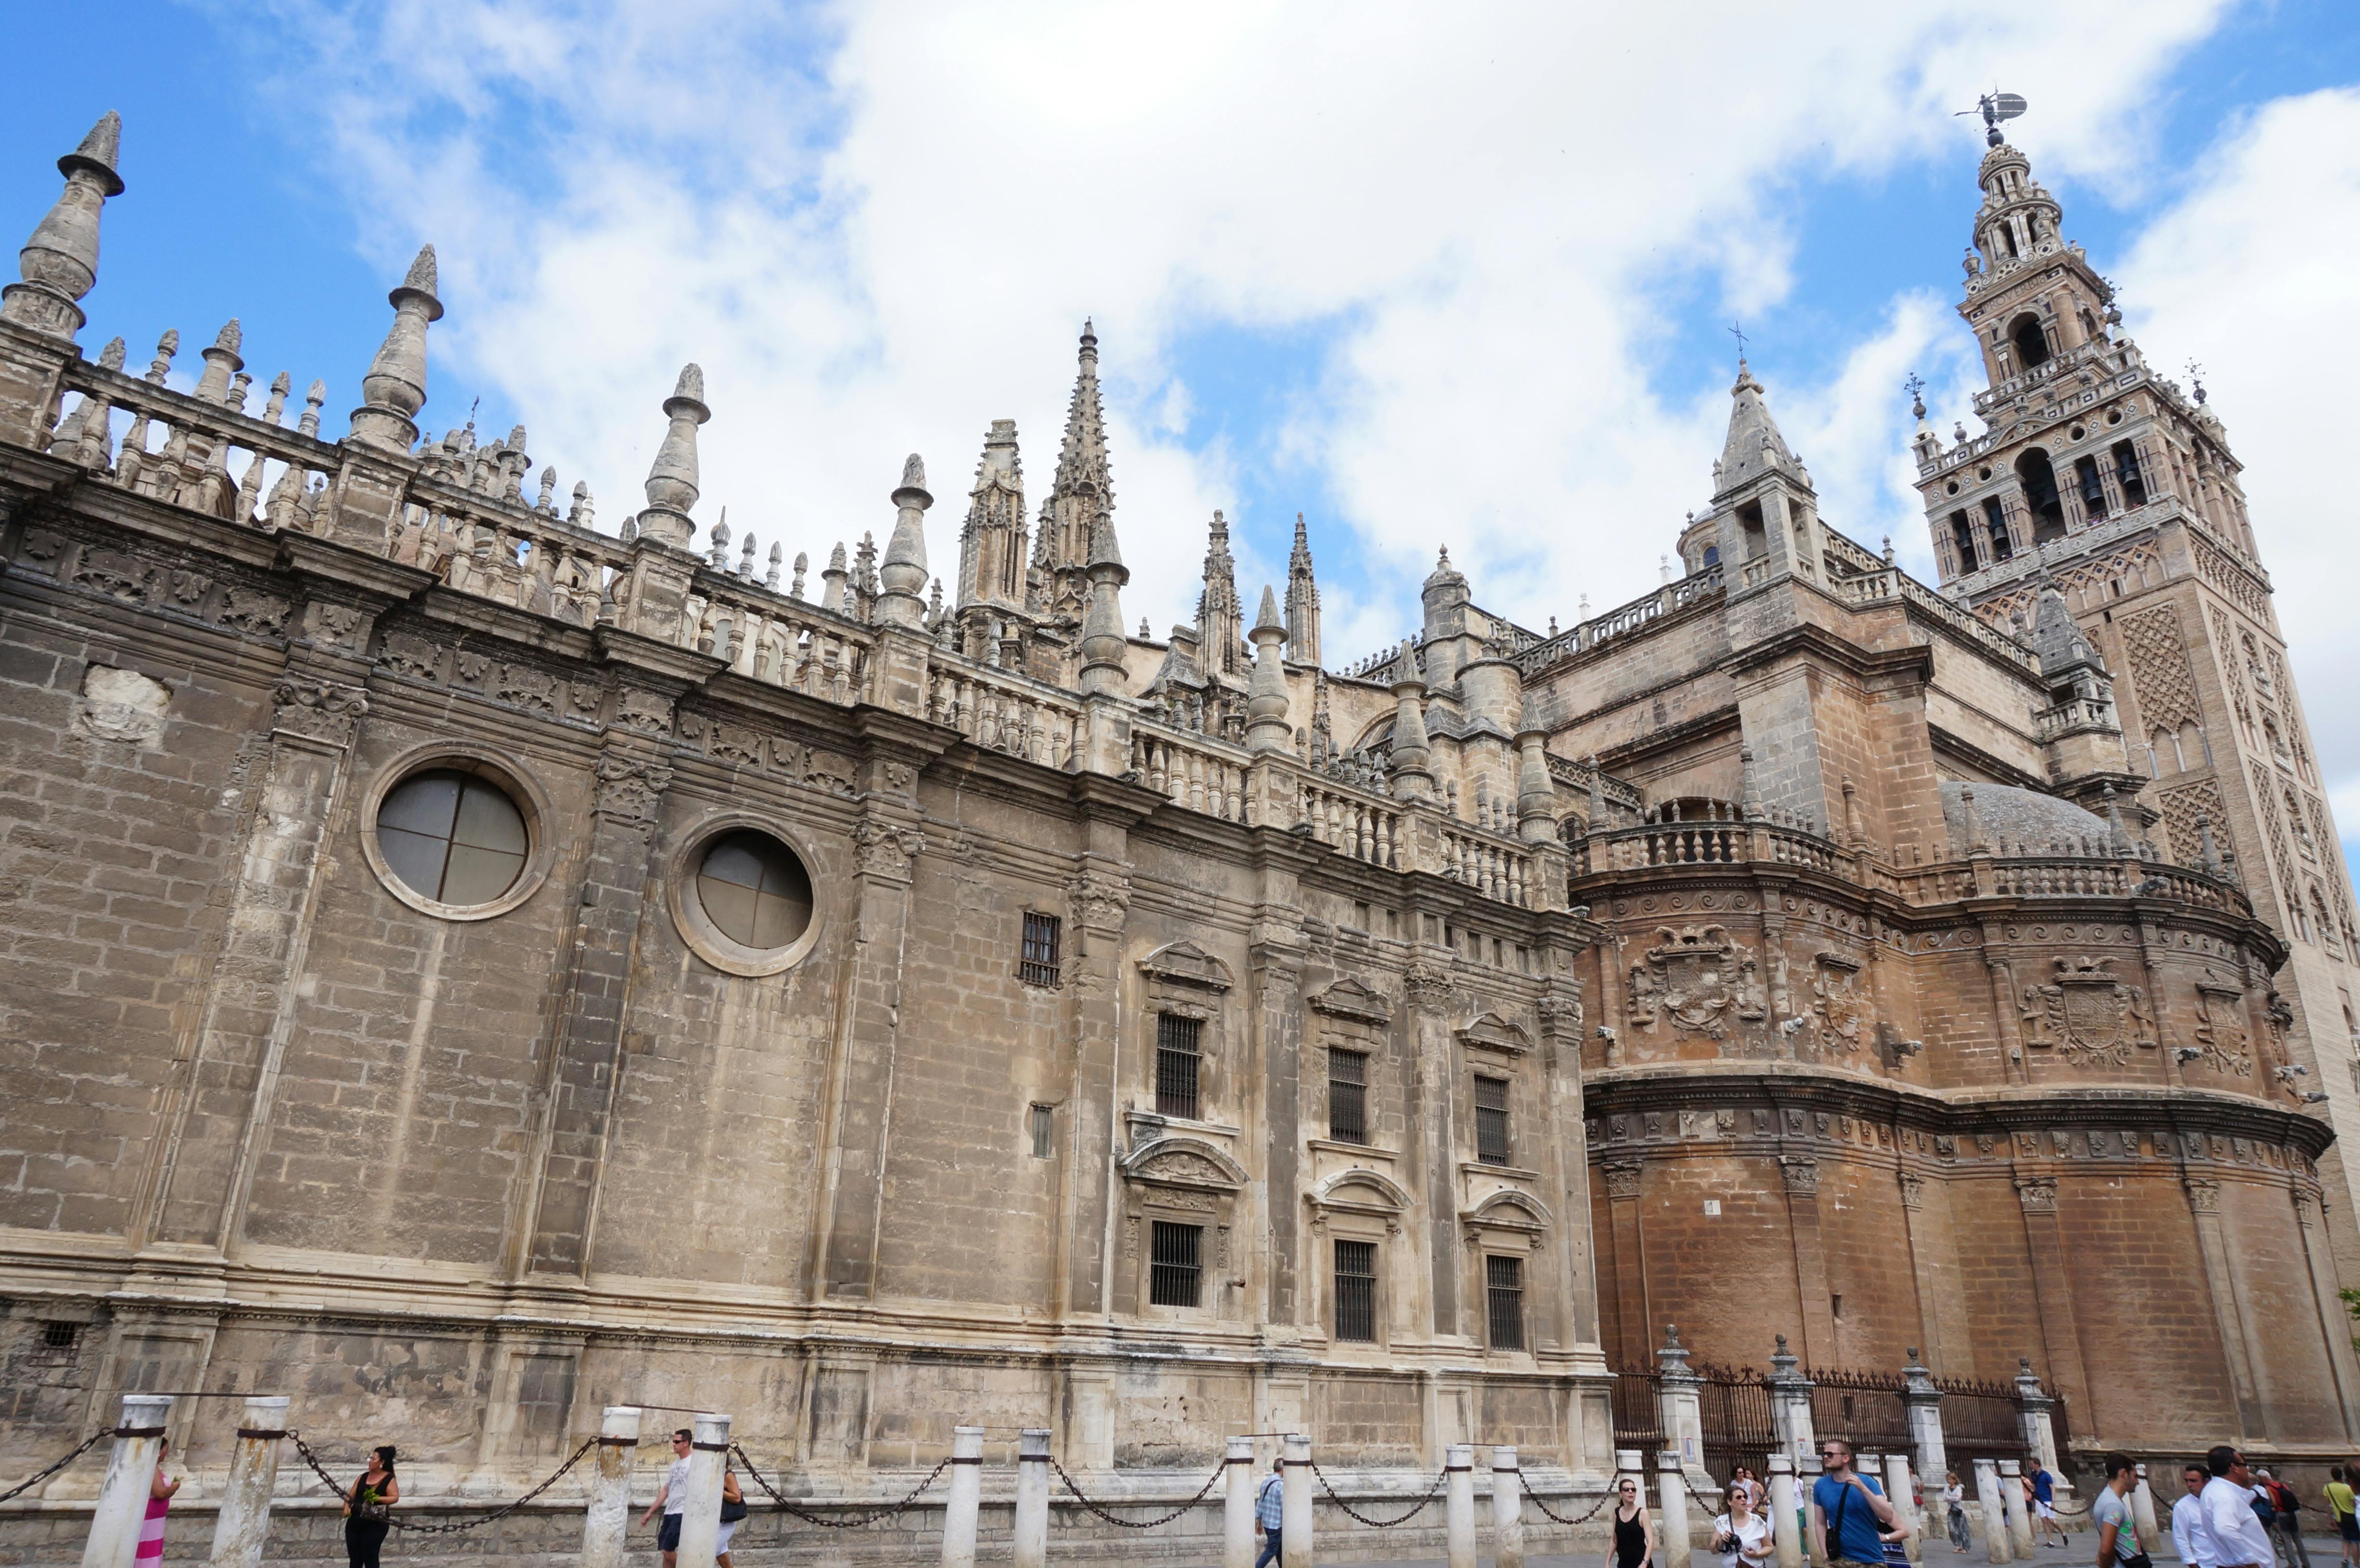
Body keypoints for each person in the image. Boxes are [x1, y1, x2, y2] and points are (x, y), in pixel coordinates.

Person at [1812, 1438, 1901, 1568]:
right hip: (1838, 1559)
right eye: (1824, 1454)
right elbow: (1820, 1523)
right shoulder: (1821, 1485)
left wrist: (1863, 1489)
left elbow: (1888, 1516)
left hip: (1870, 1560)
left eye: (1830, 1454)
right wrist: (1826, 1555)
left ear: (1846, 1458)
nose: (1826, 1457)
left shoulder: (1867, 1482)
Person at [2205, 1446, 2281, 1568]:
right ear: (2235, 1468)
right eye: (2245, 1465)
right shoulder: (2225, 1495)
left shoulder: (2217, 1490)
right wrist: (2251, 1563)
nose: (2247, 1470)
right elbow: (2225, 1530)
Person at [638, 1428, 696, 1568]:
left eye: (677, 1442)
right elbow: (666, 1490)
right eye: (673, 1441)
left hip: (682, 1512)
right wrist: (650, 1512)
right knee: (665, 1553)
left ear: (686, 1443)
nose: (674, 1444)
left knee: (667, 1550)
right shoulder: (674, 1465)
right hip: (670, 1512)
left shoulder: (693, 1463)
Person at [342, 1446, 399, 1568]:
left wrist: (377, 1498)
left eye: (373, 1459)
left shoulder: (389, 1478)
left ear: (382, 1462)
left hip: (375, 1524)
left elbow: (394, 1497)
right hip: (355, 1522)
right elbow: (350, 1496)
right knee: (355, 1559)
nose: (370, 1461)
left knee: (370, 1557)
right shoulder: (362, 1477)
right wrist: (346, 1506)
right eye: (370, 1458)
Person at [2094, 1453, 2150, 1568]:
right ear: (2123, 1474)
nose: (2137, 1482)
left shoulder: (2109, 1499)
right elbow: (2105, 1550)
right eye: (2135, 1476)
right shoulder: (2113, 1505)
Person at [135, 1435, 181, 1568]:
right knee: (146, 1552)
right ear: (159, 1451)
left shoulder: (153, 1467)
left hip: (154, 1520)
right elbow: (160, 1493)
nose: (167, 1453)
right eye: (166, 1449)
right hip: (149, 1519)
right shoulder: (151, 1467)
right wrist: (174, 1487)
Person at [2256, 1468, 2310, 1568]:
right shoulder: (2283, 1485)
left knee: (2286, 1540)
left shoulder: (2269, 1488)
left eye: (2260, 1479)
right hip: (2291, 1514)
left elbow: (2274, 1503)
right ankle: (2306, 1563)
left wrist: (2270, 1506)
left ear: (2263, 1478)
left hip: (2281, 1515)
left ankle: (2293, 1564)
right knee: (2298, 1539)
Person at [1714, 1481, 1772, 1568]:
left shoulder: (1757, 1521)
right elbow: (1713, 1550)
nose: (1743, 1499)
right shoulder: (1722, 1522)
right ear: (1730, 1502)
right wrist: (1721, 1541)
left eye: (1745, 1497)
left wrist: (1757, 1554)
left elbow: (1769, 1547)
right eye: (1739, 1497)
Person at [2179, 1463, 2224, 1568]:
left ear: (2207, 1482)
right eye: (2187, 1481)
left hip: (2229, 1561)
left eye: (2193, 1481)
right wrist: (2192, 1564)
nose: (2189, 1485)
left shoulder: (2220, 1499)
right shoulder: (2183, 1506)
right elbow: (2181, 1539)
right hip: (2206, 1564)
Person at [1609, 1474, 1654, 1568]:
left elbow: (1650, 1541)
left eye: (1633, 1490)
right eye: (1626, 1489)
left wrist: (1645, 1563)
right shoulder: (1616, 1513)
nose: (1631, 1492)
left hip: (1641, 1564)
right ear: (1621, 1494)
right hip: (1623, 1564)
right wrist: (1607, 1562)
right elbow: (1614, 1540)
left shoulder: (1643, 1514)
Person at [2030, 1455, 2068, 1549]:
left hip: (2047, 1500)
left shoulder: (2046, 1475)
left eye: (2032, 1464)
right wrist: (2034, 1503)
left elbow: (2052, 1488)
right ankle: (2050, 1541)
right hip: (2039, 1500)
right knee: (2044, 1520)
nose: (2031, 1466)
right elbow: (2034, 1488)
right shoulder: (2033, 1475)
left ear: (2037, 1464)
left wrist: (2053, 1502)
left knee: (2051, 1521)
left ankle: (2062, 1532)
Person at [1254, 1456, 1285, 1568]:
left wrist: (1259, 1521)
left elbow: (1261, 1502)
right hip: (1276, 1525)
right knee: (1272, 1550)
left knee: (1280, 1549)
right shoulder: (1281, 1486)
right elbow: (1284, 1506)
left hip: (1267, 1523)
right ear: (1283, 1469)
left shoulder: (1266, 1482)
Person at [2323, 1465, 2357, 1568]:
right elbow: (2355, 1503)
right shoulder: (2348, 1488)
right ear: (2342, 1476)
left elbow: (2327, 1505)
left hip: (2340, 1518)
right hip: (2352, 1516)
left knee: (2346, 1539)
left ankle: (2345, 1559)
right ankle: (2357, 1563)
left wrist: (2331, 1519)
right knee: (2355, 1541)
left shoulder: (2327, 1488)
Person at [715, 1459, 745, 1568]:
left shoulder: (728, 1475)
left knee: (708, 1551)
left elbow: (737, 1498)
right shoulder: (712, 1474)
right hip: (714, 1520)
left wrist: (719, 1491)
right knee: (722, 1556)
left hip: (726, 1521)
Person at [1945, 1470, 1972, 1552]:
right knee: (1952, 1529)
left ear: (1954, 1480)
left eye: (1950, 1479)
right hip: (1951, 1511)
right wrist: (1951, 1498)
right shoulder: (1947, 1488)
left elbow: (1957, 1498)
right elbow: (1945, 1498)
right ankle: (1957, 1545)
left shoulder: (1958, 1488)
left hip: (1959, 1511)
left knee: (1962, 1529)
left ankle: (1966, 1547)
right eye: (1948, 1479)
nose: (1949, 1481)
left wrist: (1949, 1498)